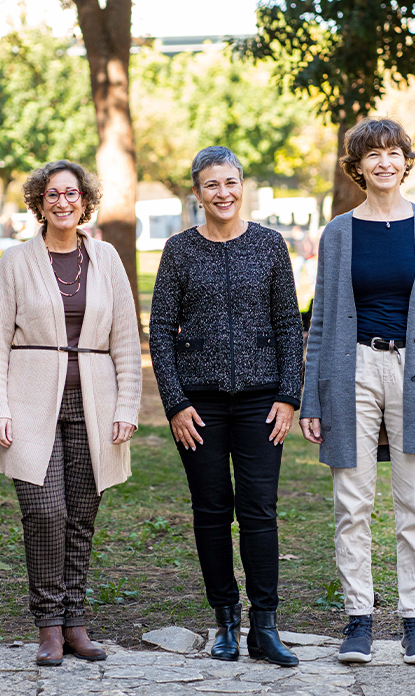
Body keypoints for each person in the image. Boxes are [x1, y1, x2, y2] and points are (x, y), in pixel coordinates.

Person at [297, 118, 415, 666]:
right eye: (372, 155)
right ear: (357, 166)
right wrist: (312, 398)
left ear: (405, 161)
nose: (384, 163)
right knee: (353, 503)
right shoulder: (340, 232)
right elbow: (321, 320)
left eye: (393, 152)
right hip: (353, 373)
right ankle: (359, 620)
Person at [0, 160, 141, 667]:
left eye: (72, 193)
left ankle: (76, 623)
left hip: (94, 403)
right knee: (45, 512)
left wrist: (127, 405)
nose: (63, 202)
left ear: (85, 201)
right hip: (30, 405)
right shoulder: (16, 261)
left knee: (82, 517)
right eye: (53, 194)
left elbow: (125, 340)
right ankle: (48, 625)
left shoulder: (107, 258)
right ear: (39, 202)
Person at [150, 146, 304, 667]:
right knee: (212, 513)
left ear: (243, 186)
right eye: (211, 185)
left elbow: (288, 325)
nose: (223, 193)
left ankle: (265, 626)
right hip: (199, 406)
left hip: (262, 402)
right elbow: (161, 334)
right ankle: (225, 622)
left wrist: (288, 397)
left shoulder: (269, 246)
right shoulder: (179, 251)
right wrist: (174, 403)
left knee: (259, 511)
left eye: (231, 182)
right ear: (197, 193)